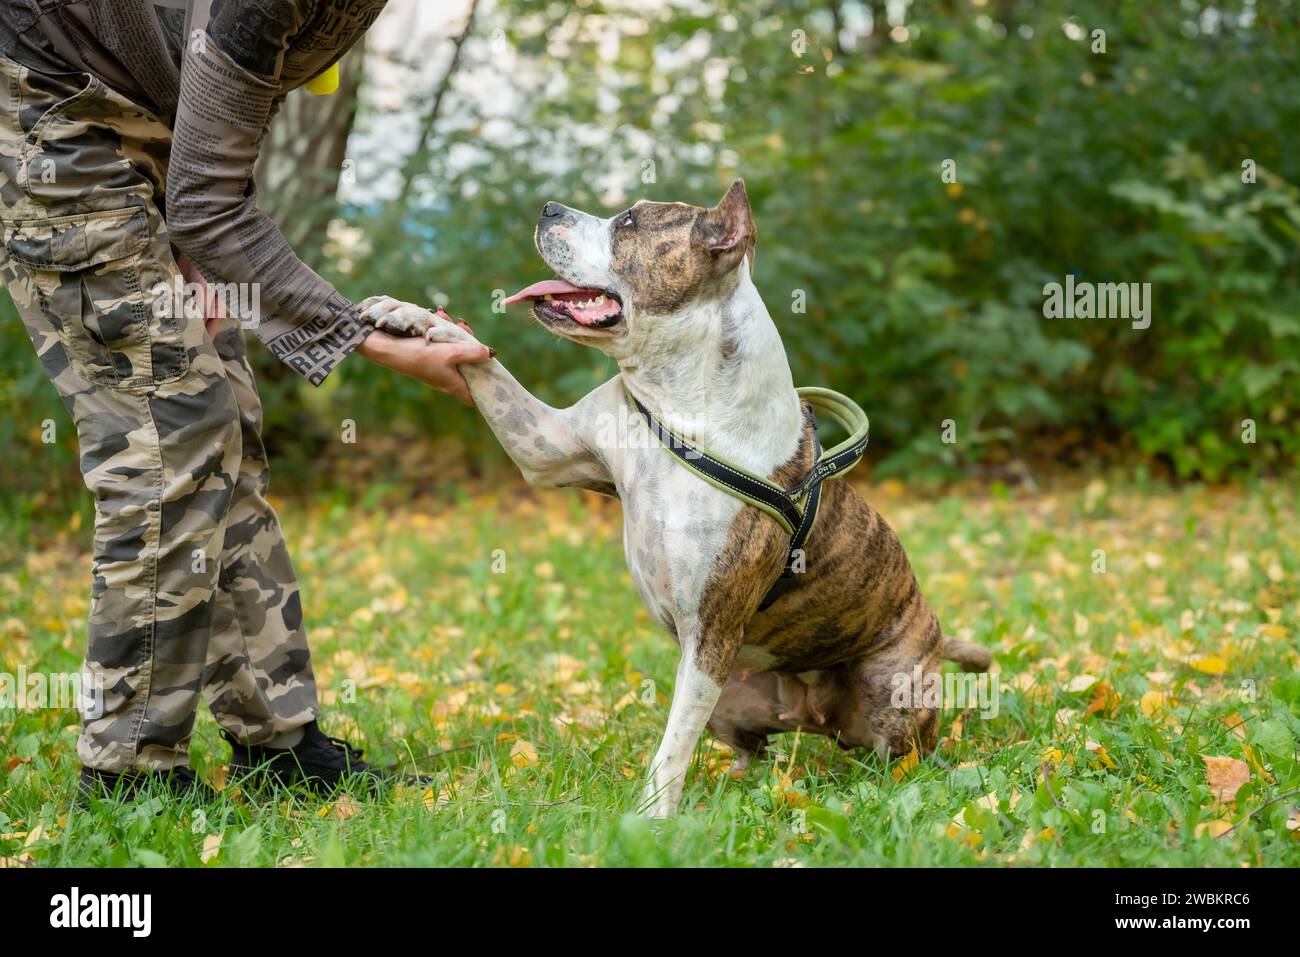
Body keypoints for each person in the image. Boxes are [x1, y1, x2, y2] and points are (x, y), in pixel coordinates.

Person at [0, 1, 490, 800]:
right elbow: (210, 198)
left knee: (224, 418)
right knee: (172, 430)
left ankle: (280, 745)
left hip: (143, 118)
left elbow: (216, 145)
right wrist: (366, 337)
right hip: (53, 107)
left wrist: (196, 233)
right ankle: (127, 773)